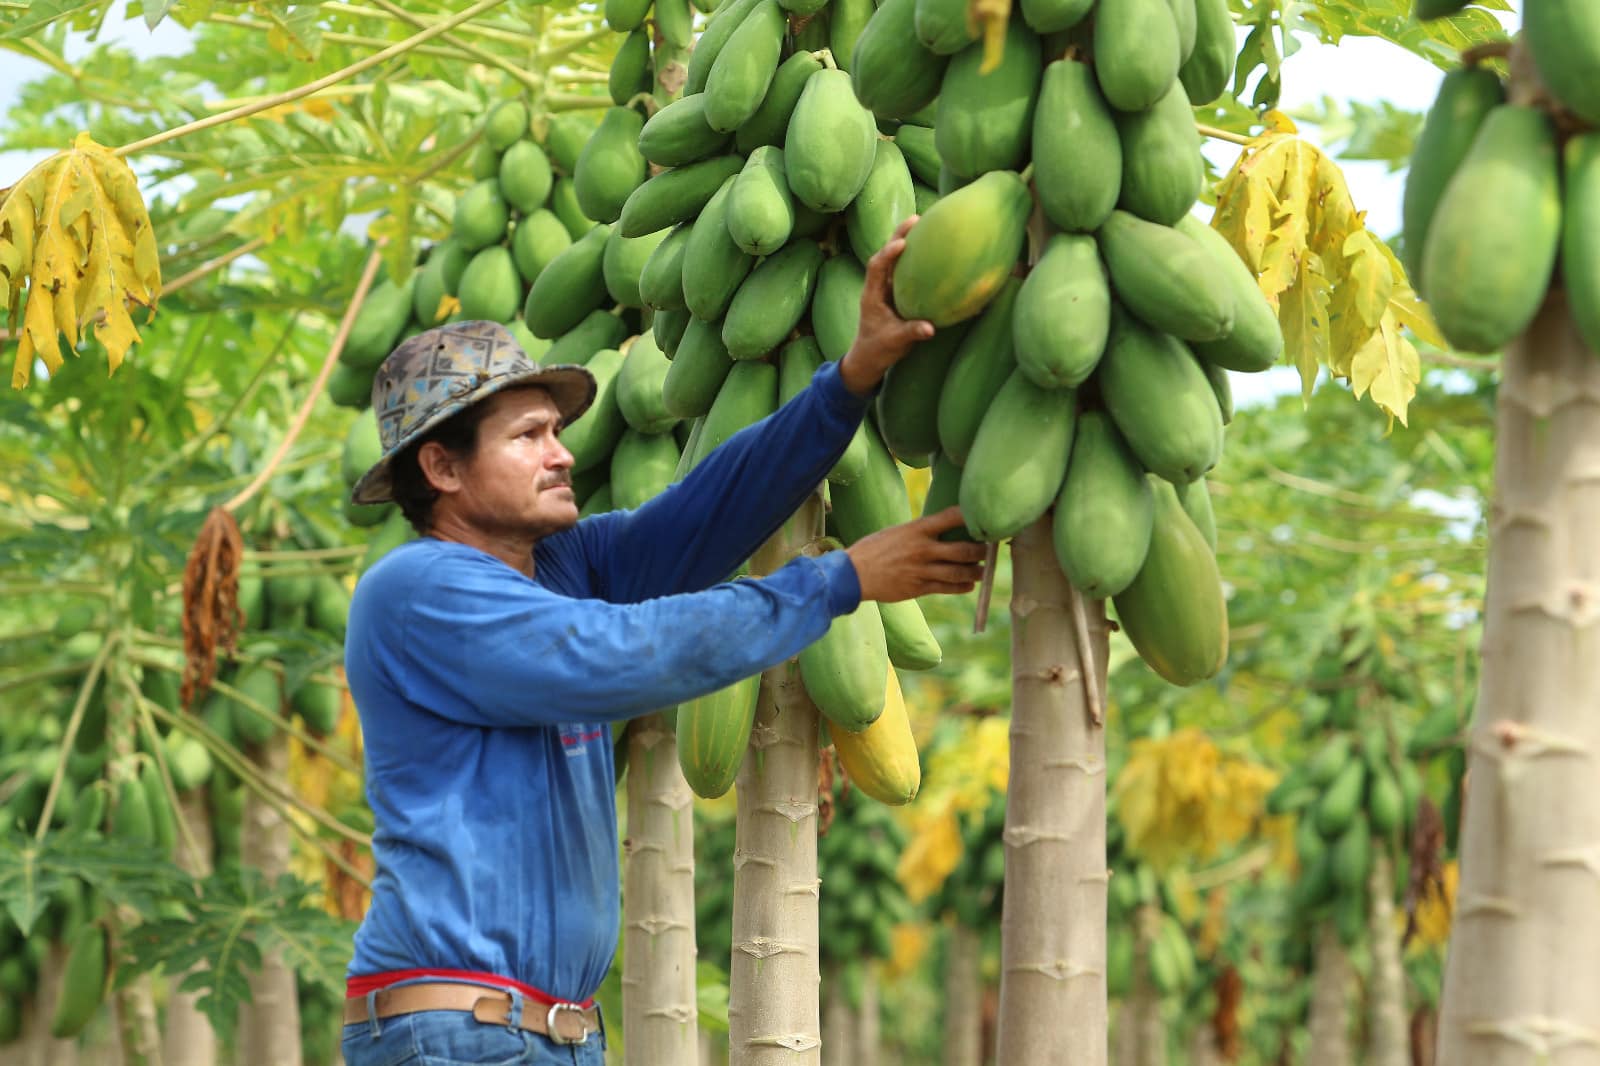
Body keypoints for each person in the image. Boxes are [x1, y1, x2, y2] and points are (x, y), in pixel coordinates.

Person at [338, 217, 984, 1064]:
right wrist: (840, 578)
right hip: (456, 1032)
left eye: (557, 432)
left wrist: (851, 377)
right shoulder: (417, 592)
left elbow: (703, 513)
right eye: (528, 437)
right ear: (443, 470)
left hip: (548, 1029)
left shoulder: (559, 564)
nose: (561, 456)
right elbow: (623, 653)